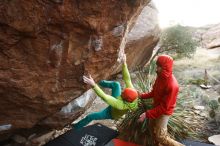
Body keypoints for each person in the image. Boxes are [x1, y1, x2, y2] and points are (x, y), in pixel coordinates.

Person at [73, 54, 138, 129]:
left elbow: (104, 97)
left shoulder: (121, 106)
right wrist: (124, 63)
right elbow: (127, 79)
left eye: (123, 93)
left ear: (126, 99)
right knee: (116, 84)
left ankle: (76, 127)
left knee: (91, 116)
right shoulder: (132, 94)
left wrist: (93, 85)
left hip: (110, 113)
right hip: (118, 101)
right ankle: (99, 81)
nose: (122, 92)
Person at [138, 55, 185, 146]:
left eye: (159, 66)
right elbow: (154, 92)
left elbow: (164, 108)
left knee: (161, 136)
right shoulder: (160, 77)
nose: (157, 69)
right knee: (152, 130)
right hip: (156, 107)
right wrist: (141, 96)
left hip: (164, 112)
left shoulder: (172, 85)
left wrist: (146, 114)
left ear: (165, 68)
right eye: (157, 66)